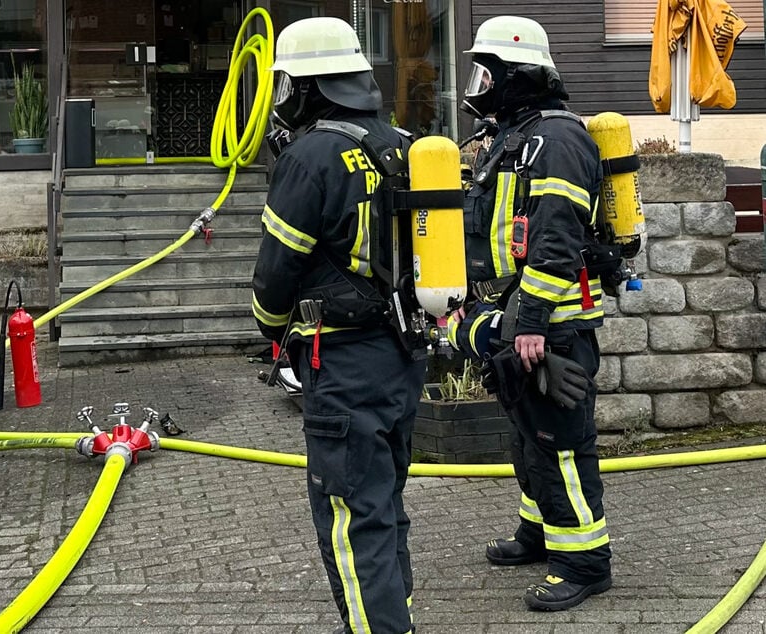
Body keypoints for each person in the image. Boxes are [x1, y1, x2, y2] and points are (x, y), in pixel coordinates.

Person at [251, 16, 427, 634]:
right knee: (383, 508)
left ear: (306, 86)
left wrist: (270, 329)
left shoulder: (311, 155)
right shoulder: (403, 143)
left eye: (285, 86)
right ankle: (395, 618)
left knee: (353, 519)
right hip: (402, 357)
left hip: (343, 365)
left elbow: (276, 272)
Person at [452, 15, 612, 611]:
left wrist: (533, 323)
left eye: (486, 71)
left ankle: (585, 562)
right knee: (528, 437)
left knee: (560, 443)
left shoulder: (558, 139)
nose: (479, 83)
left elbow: (556, 237)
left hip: (552, 326)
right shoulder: (514, 137)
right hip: (521, 318)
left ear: (517, 75)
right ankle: (540, 533)